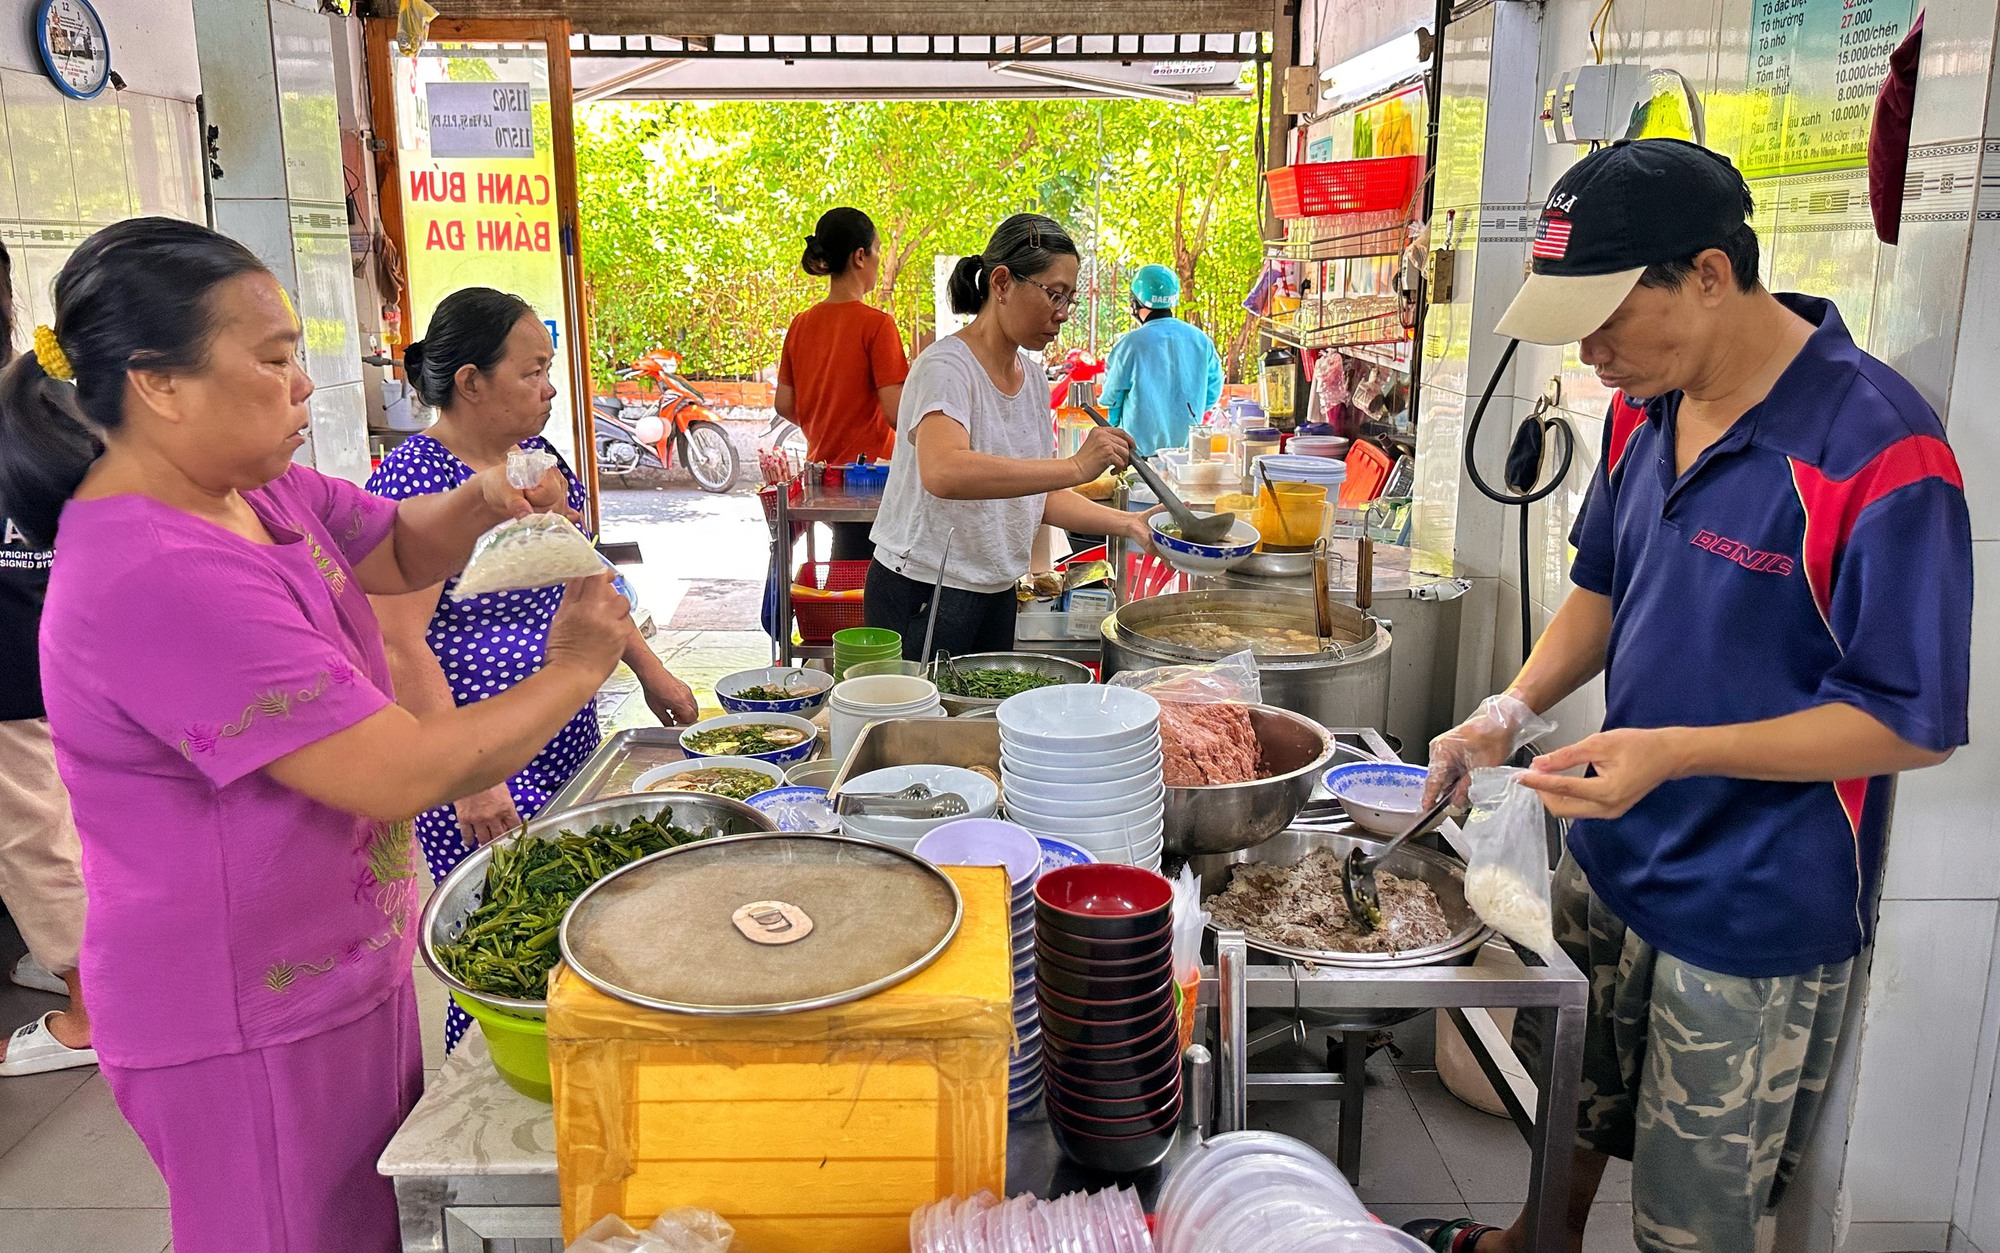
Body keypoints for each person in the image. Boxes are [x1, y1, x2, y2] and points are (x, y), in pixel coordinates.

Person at [2, 217, 637, 1252]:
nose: (303, 385)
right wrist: (575, 668)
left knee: (354, 1223)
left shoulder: (251, 487)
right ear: (160, 385)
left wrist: (479, 501)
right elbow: (395, 771)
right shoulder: (156, 568)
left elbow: (389, 547)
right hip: (237, 1008)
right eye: (273, 359)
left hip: (338, 961)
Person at [1405, 140, 1971, 1253]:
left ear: (1707, 274)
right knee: (1564, 1104)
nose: (1590, 349)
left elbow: (1908, 720)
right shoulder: (1639, 412)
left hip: (1751, 903)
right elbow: (1601, 588)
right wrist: (1504, 712)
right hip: (1615, 853)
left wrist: (1672, 750)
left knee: (1686, 1216)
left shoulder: (1876, 449)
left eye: (1609, 316)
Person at [370, 287, 697, 1050]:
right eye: (533, 372)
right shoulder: (414, 484)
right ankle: (483, 1089)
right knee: (497, 945)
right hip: (473, 749)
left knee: (577, 919)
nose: (550, 388)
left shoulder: (541, 464)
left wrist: (649, 669)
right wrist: (468, 778)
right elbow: (398, 645)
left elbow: (586, 581)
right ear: (471, 382)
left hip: (562, 731)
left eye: (549, 369)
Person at [867, 213, 1153, 659]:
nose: (1061, 313)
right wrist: (1076, 466)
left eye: (1070, 299)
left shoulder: (1034, 381)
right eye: (1054, 294)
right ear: (1001, 283)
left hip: (996, 589)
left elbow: (1036, 496)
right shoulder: (947, 368)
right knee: (923, 727)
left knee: (981, 723)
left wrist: (1130, 525)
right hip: (924, 587)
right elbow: (943, 472)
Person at [0, 235, 94, 1079]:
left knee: (33, 840)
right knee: (61, 827)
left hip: (10, 674)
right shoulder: (37, 403)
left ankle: (88, 1006)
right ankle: (71, 955)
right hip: (63, 661)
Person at [775, 207, 911, 561]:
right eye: (877, 250)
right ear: (860, 256)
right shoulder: (877, 326)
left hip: (821, 478)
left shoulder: (801, 324)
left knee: (844, 572)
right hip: (871, 482)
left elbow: (784, 405)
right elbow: (897, 413)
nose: (879, 260)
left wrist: (825, 422)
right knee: (864, 588)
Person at [1098, 264, 1224, 456]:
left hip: (1139, 457)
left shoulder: (1131, 344)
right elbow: (1213, 392)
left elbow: (1111, 397)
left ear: (1135, 302)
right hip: (1186, 456)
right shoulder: (1200, 340)